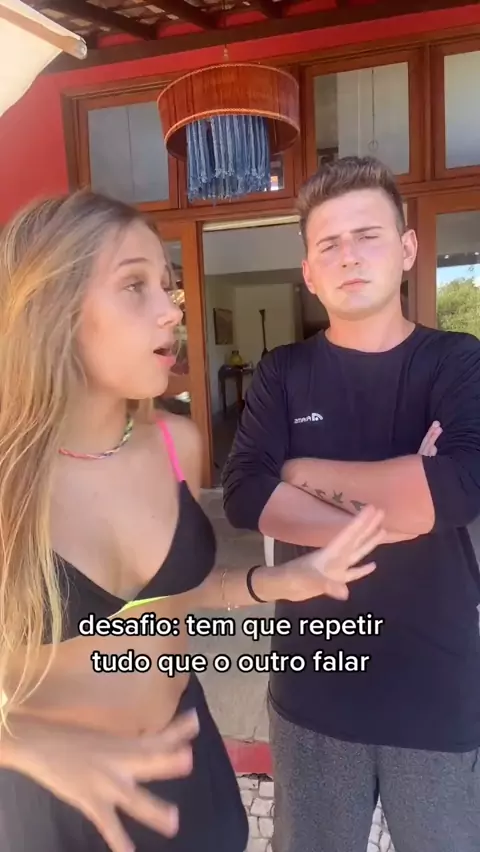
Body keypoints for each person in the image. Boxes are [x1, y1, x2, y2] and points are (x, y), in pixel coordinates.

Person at [0, 190, 387, 852]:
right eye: (135, 286)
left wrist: (283, 581)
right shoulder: (10, 479)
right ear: (52, 308)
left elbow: (165, 602)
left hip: (188, 767)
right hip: (54, 802)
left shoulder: (176, 441)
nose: (170, 309)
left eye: (167, 284)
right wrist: (29, 744)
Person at [222, 155, 480, 852]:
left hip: (436, 684)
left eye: (368, 235)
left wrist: (299, 471)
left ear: (406, 249)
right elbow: (245, 493)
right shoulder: (282, 372)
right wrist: (402, 493)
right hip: (314, 688)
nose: (349, 256)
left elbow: (457, 488)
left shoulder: (458, 361)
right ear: (309, 272)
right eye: (329, 244)